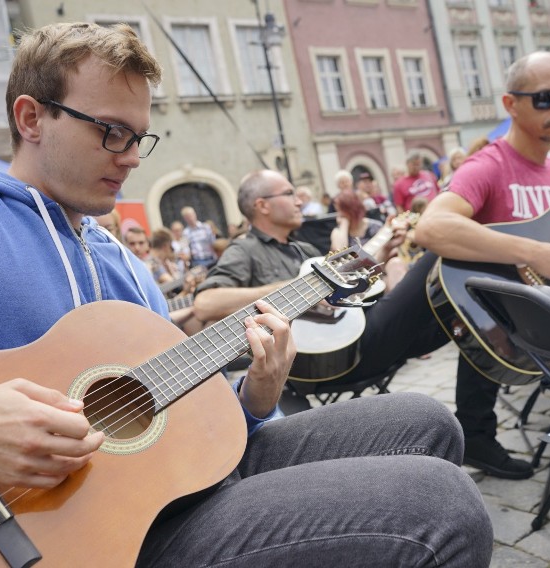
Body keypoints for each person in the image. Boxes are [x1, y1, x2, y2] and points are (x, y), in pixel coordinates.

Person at [0, 21, 482, 567]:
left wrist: (253, 400)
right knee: (437, 504)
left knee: (424, 422)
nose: (130, 156)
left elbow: (169, 424)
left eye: (138, 136)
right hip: (54, 536)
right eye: (109, 131)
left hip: (156, 493)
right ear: (31, 118)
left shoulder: (119, 260)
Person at [188, 170, 491, 566]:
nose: (300, 200)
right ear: (261, 206)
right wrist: (295, 290)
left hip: (348, 339)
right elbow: (206, 303)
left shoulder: (299, 249)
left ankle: (484, 402)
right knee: (437, 258)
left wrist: (376, 261)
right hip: (318, 363)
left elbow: (343, 296)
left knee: (447, 319)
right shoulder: (246, 250)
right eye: (288, 194)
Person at [416, 51, 550, 479]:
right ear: (510, 104)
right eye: (544, 98)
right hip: (497, 319)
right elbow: (431, 227)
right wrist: (535, 253)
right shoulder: (490, 164)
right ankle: (474, 434)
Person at [392, 149, 440, 214]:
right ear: (407, 164)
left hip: (435, 211)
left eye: (419, 164)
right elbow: (399, 207)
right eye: (414, 164)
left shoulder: (429, 175)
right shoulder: (399, 184)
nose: (417, 167)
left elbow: (438, 192)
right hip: (416, 217)